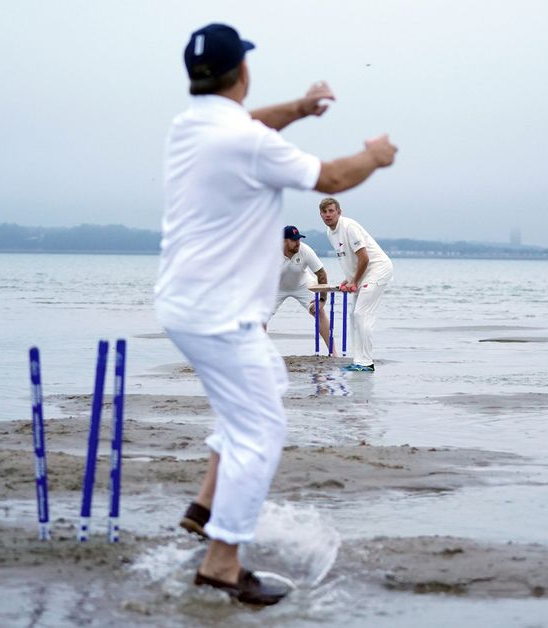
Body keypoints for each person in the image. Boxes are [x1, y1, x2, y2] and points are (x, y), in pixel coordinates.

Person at [154, 23, 397, 605]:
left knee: (265, 381)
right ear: (242, 72)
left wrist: (301, 108)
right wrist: (375, 156)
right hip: (217, 311)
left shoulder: (190, 126)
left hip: (184, 302)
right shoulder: (246, 142)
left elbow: (254, 122)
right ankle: (222, 562)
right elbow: (334, 178)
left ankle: (205, 503)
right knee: (262, 430)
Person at [318, 197, 394, 372]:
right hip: (363, 273)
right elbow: (347, 258)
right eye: (324, 212)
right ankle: (359, 361)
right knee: (353, 315)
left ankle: (366, 362)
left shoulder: (349, 227)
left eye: (331, 211)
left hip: (378, 269)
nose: (328, 215)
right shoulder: (330, 233)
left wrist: (355, 281)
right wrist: (349, 279)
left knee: (361, 314)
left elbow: (364, 257)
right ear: (321, 215)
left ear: (339, 212)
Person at [271, 225, 333, 355]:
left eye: (299, 239)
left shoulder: (305, 250)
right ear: (283, 241)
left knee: (319, 312)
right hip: (277, 288)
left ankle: (333, 353)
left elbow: (321, 274)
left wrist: (322, 300)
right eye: (294, 240)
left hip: (302, 284)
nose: (298, 243)